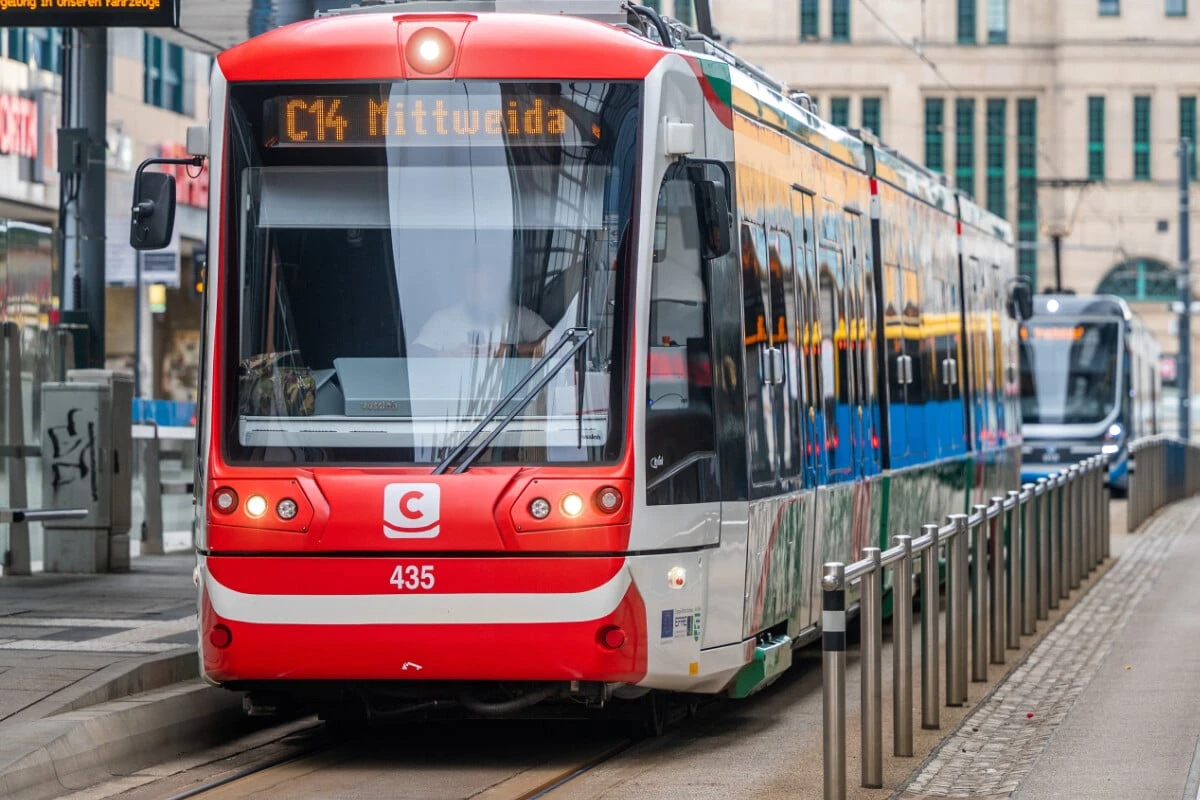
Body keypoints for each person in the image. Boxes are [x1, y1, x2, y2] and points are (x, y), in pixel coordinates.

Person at [412, 260, 551, 358]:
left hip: (512, 397)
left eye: (488, 287)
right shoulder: (443, 319)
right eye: (476, 287)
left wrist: (511, 351)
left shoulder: (516, 315)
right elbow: (413, 355)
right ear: (465, 286)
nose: (482, 293)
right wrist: (451, 355)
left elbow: (555, 344)